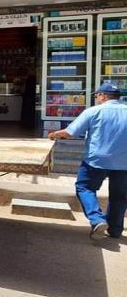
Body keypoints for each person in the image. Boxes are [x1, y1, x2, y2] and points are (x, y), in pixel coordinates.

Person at [48, 82, 127, 240]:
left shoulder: (94, 111)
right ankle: (114, 230)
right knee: (119, 196)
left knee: (84, 187)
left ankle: (97, 219)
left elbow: (70, 133)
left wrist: (54, 134)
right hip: (124, 162)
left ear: (103, 96)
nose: (96, 98)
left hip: (96, 160)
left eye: (97, 95)